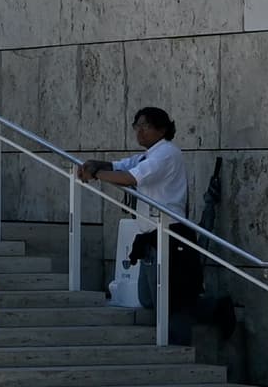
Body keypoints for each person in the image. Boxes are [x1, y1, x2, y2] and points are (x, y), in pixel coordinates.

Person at [74, 107, 190, 310]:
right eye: (137, 127)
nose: (139, 132)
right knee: (147, 299)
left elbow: (130, 178)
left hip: (168, 234)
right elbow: (122, 166)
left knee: (168, 302)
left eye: (145, 127)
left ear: (161, 130)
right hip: (150, 236)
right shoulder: (148, 155)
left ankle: (212, 311)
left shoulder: (166, 154)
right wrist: (95, 164)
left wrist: (95, 174)